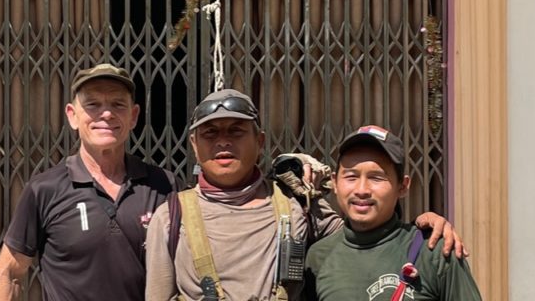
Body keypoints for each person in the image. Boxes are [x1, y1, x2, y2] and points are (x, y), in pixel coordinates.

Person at [145, 90, 463, 301]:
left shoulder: (297, 203)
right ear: (194, 145)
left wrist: (424, 224)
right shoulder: (172, 217)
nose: (223, 142)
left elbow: (369, 234)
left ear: (260, 141)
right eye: (210, 133)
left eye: (236, 131)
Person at [0, 63, 176, 301]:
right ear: (72, 116)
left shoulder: (164, 185)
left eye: (118, 104)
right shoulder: (45, 189)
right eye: (93, 104)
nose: (106, 114)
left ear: (134, 116)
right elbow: (9, 272)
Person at [304, 125, 482, 301]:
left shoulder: (435, 253)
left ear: (403, 186)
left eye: (376, 177)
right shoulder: (319, 257)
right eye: (351, 177)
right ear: (335, 183)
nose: (361, 190)